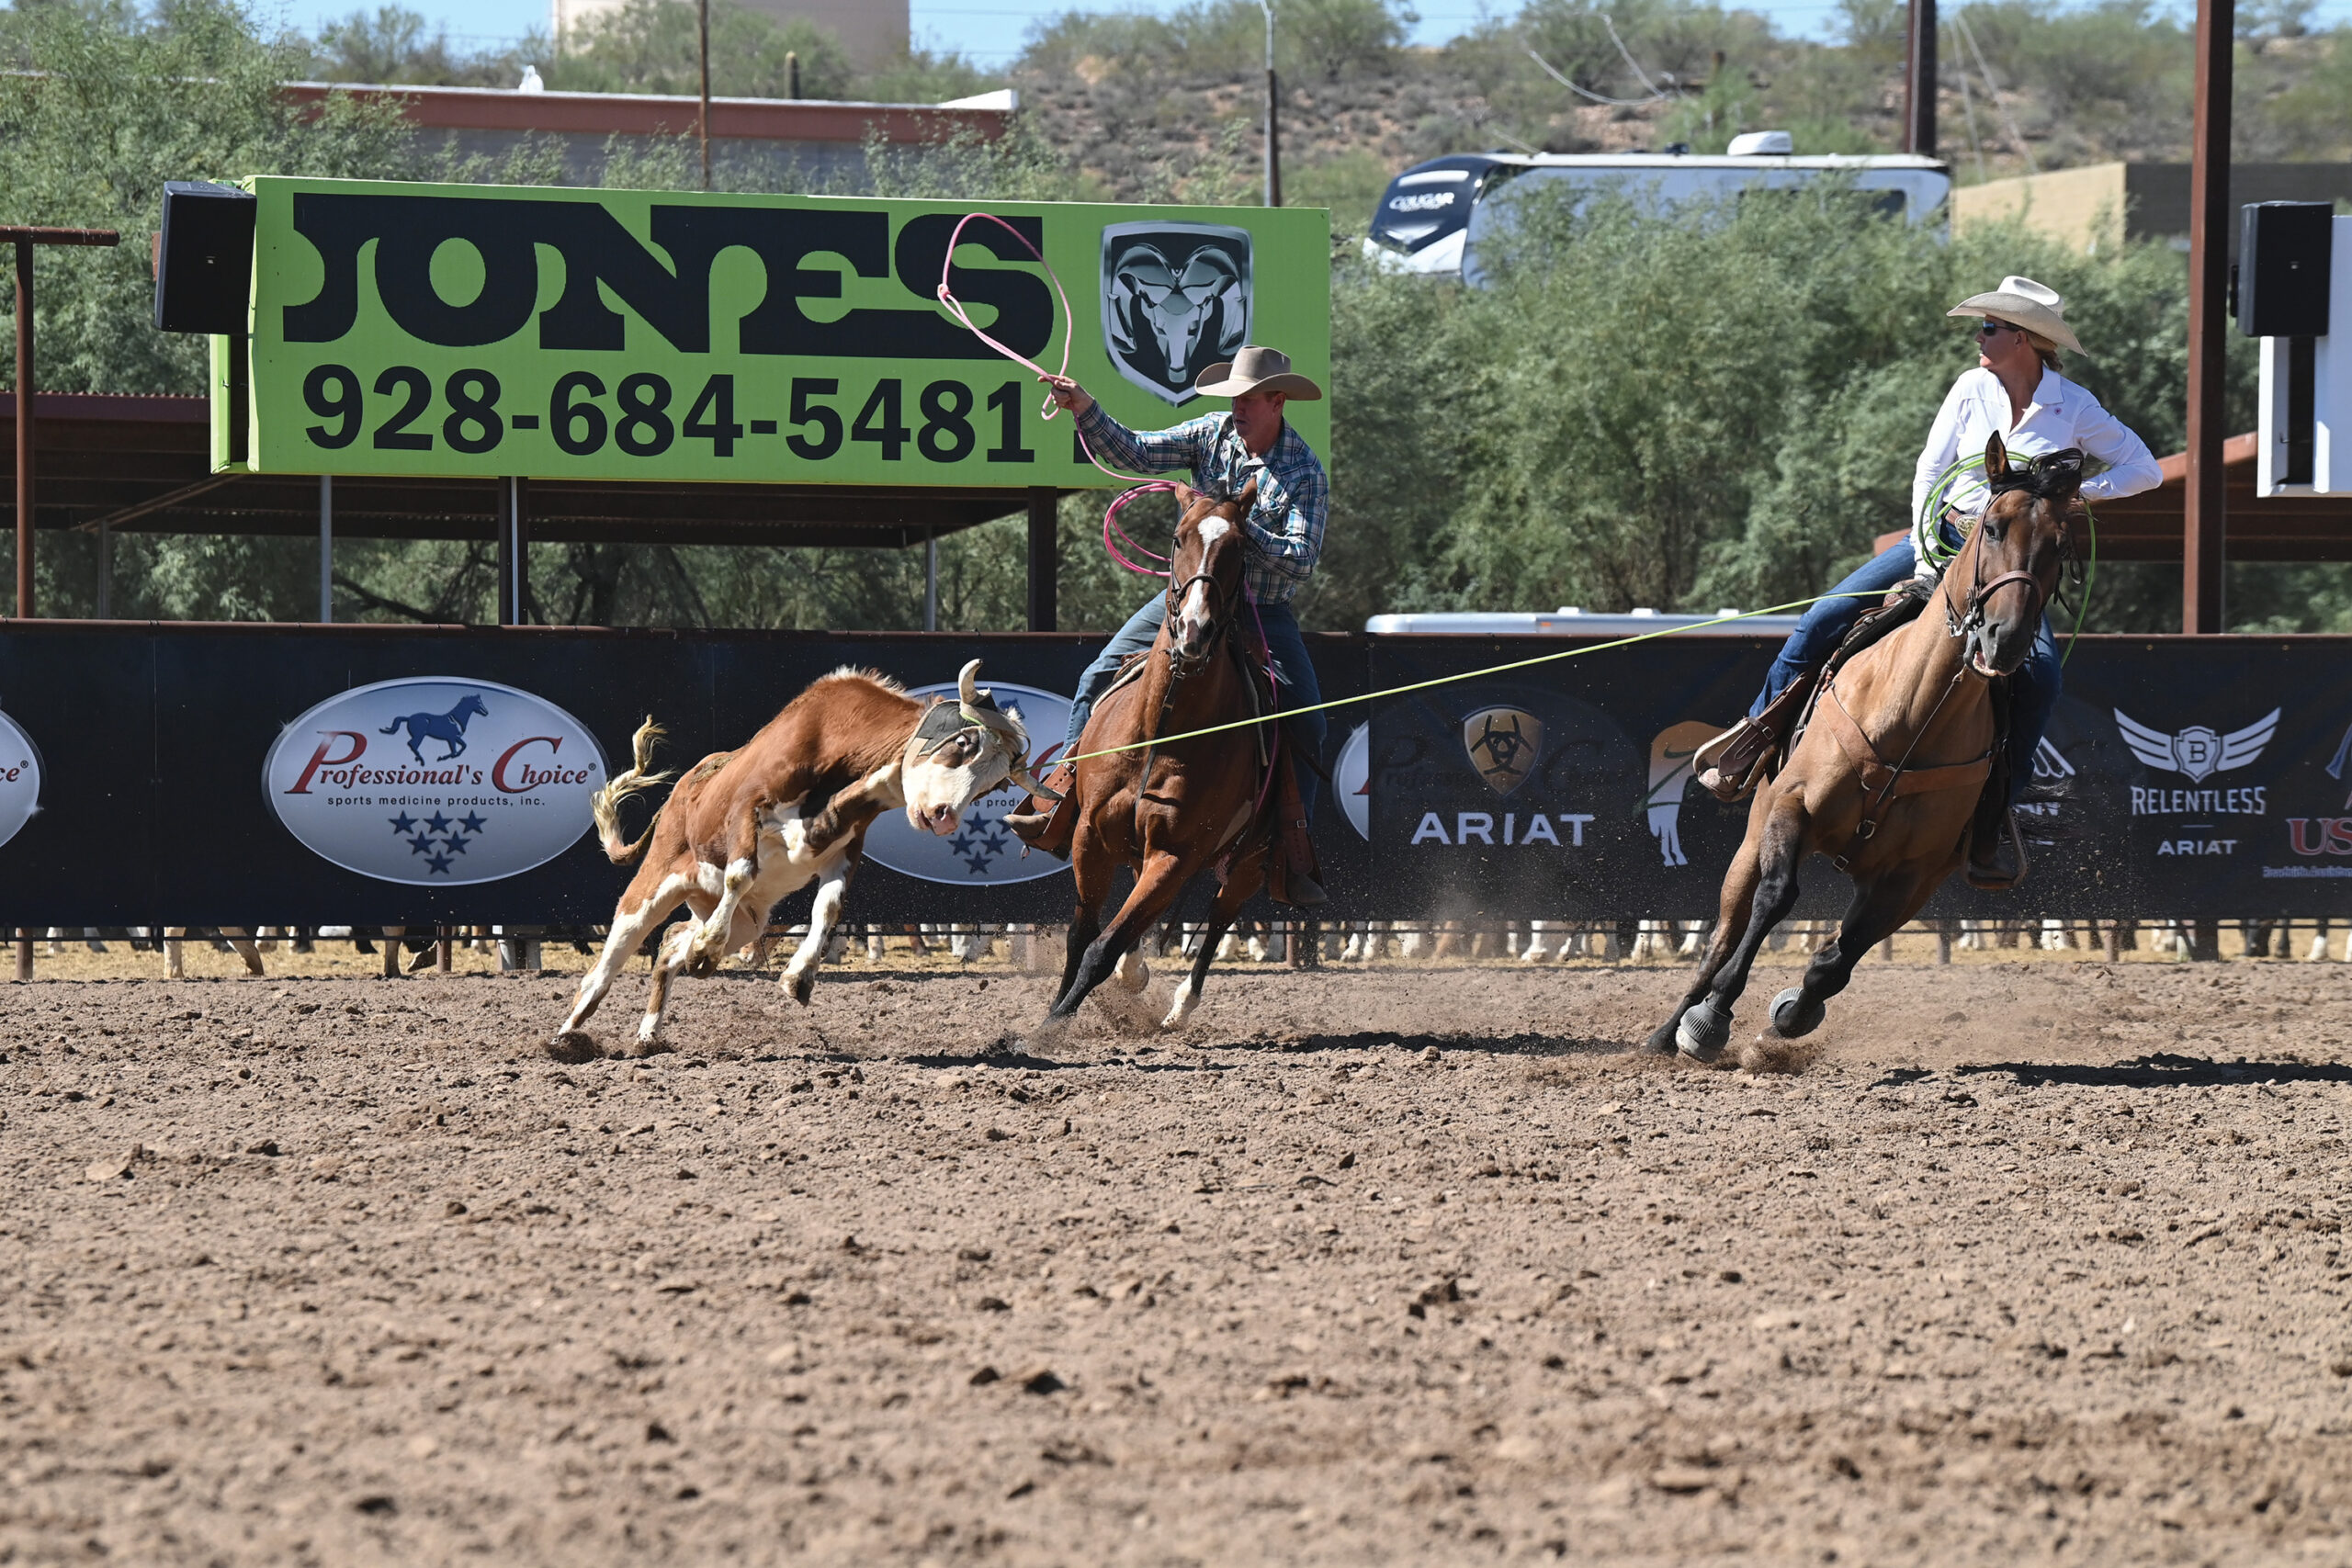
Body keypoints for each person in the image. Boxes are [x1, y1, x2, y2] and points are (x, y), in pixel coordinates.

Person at [1693, 276, 2161, 887]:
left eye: (1990, 327)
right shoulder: (1971, 388)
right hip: (1939, 542)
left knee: (2042, 676)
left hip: (2005, 569)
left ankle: (1992, 817)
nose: (1979, 336)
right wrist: (1920, 561)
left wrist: (2068, 500)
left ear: (2023, 339)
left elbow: (2144, 469)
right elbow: (1931, 470)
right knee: (1821, 618)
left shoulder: (2074, 407)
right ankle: (1755, 740)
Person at [1006, 344, 1331, 904]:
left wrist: (1230, 528)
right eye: (1233, 399)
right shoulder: (1210, 433)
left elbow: (1301, 559)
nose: (1238, 409)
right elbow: (1135, 450)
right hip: (1189, 600)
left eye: (1248, 399)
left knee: (1308, 724)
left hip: (1262, 611)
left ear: (1278, 402)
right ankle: (1063, 796)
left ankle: (1281, 846)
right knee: (1096, 677)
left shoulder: (1304, 473)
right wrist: (1083, 406)